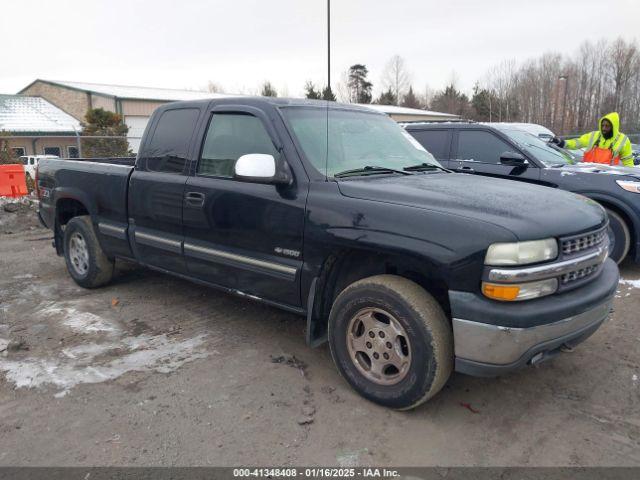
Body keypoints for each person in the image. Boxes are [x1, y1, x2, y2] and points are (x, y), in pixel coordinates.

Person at [550, 112, 635, 167]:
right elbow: (577, 143)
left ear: (614, 127)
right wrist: (562, 143)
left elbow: (628, 163)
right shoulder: (594, 135)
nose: (604, 128)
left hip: (609, 177)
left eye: (607, 126)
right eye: (602, 125)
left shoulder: (623, 140)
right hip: (588, 174)